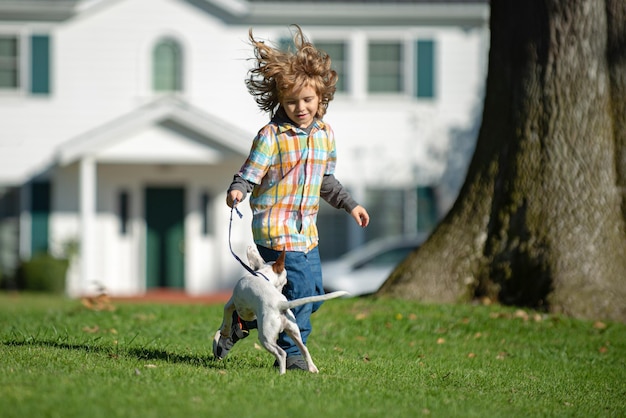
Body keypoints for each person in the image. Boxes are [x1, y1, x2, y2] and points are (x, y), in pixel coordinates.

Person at [213, 25, 370, 371]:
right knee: (299, 294)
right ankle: (293, 355)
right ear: (280, 101)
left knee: (313, 294)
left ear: (321, 97)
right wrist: (238, 189)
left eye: (308, 99)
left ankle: (243, 321)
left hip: (306, 233)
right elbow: (249, 172)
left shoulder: (326, 135)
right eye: (292, 101)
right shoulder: (271, 136)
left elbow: (325, 180)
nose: (301, 107)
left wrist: (350, 204)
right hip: (274, 230)